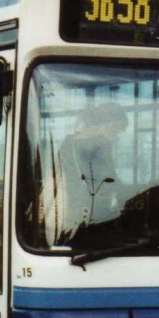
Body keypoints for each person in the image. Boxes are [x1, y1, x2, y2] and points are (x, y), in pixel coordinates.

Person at [50, 103, 129, 242]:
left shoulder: (68, 142)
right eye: (116, 130)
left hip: (71, 216)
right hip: (95, 217)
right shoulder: (101, 143)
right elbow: (108, 181)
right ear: (108, 123)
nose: (115, 135)